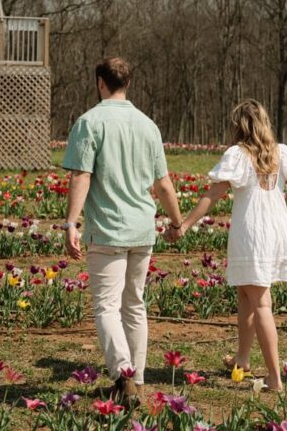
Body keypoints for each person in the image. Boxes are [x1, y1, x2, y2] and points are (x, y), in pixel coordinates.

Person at [167, 99, 287, 391]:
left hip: (253, 231)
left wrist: (184, 225)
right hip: (277, 228)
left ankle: (275, 378)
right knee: (246, 295)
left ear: (239, 126)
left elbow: (213, 194)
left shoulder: (238, 155)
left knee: (261, 301)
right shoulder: (280, 153)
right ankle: (243, 360)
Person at [62, 57, 184, 404]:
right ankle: (136, 380)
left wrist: (71, 222)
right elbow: (163, 184)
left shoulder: (90, 122)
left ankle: (123, 375)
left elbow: (81, 176)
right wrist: (176, 222)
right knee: (134, 306)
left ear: (101, 82)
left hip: (107, 230)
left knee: (105, 308)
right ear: (126, 83)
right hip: (143, 230)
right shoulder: (148, 125)